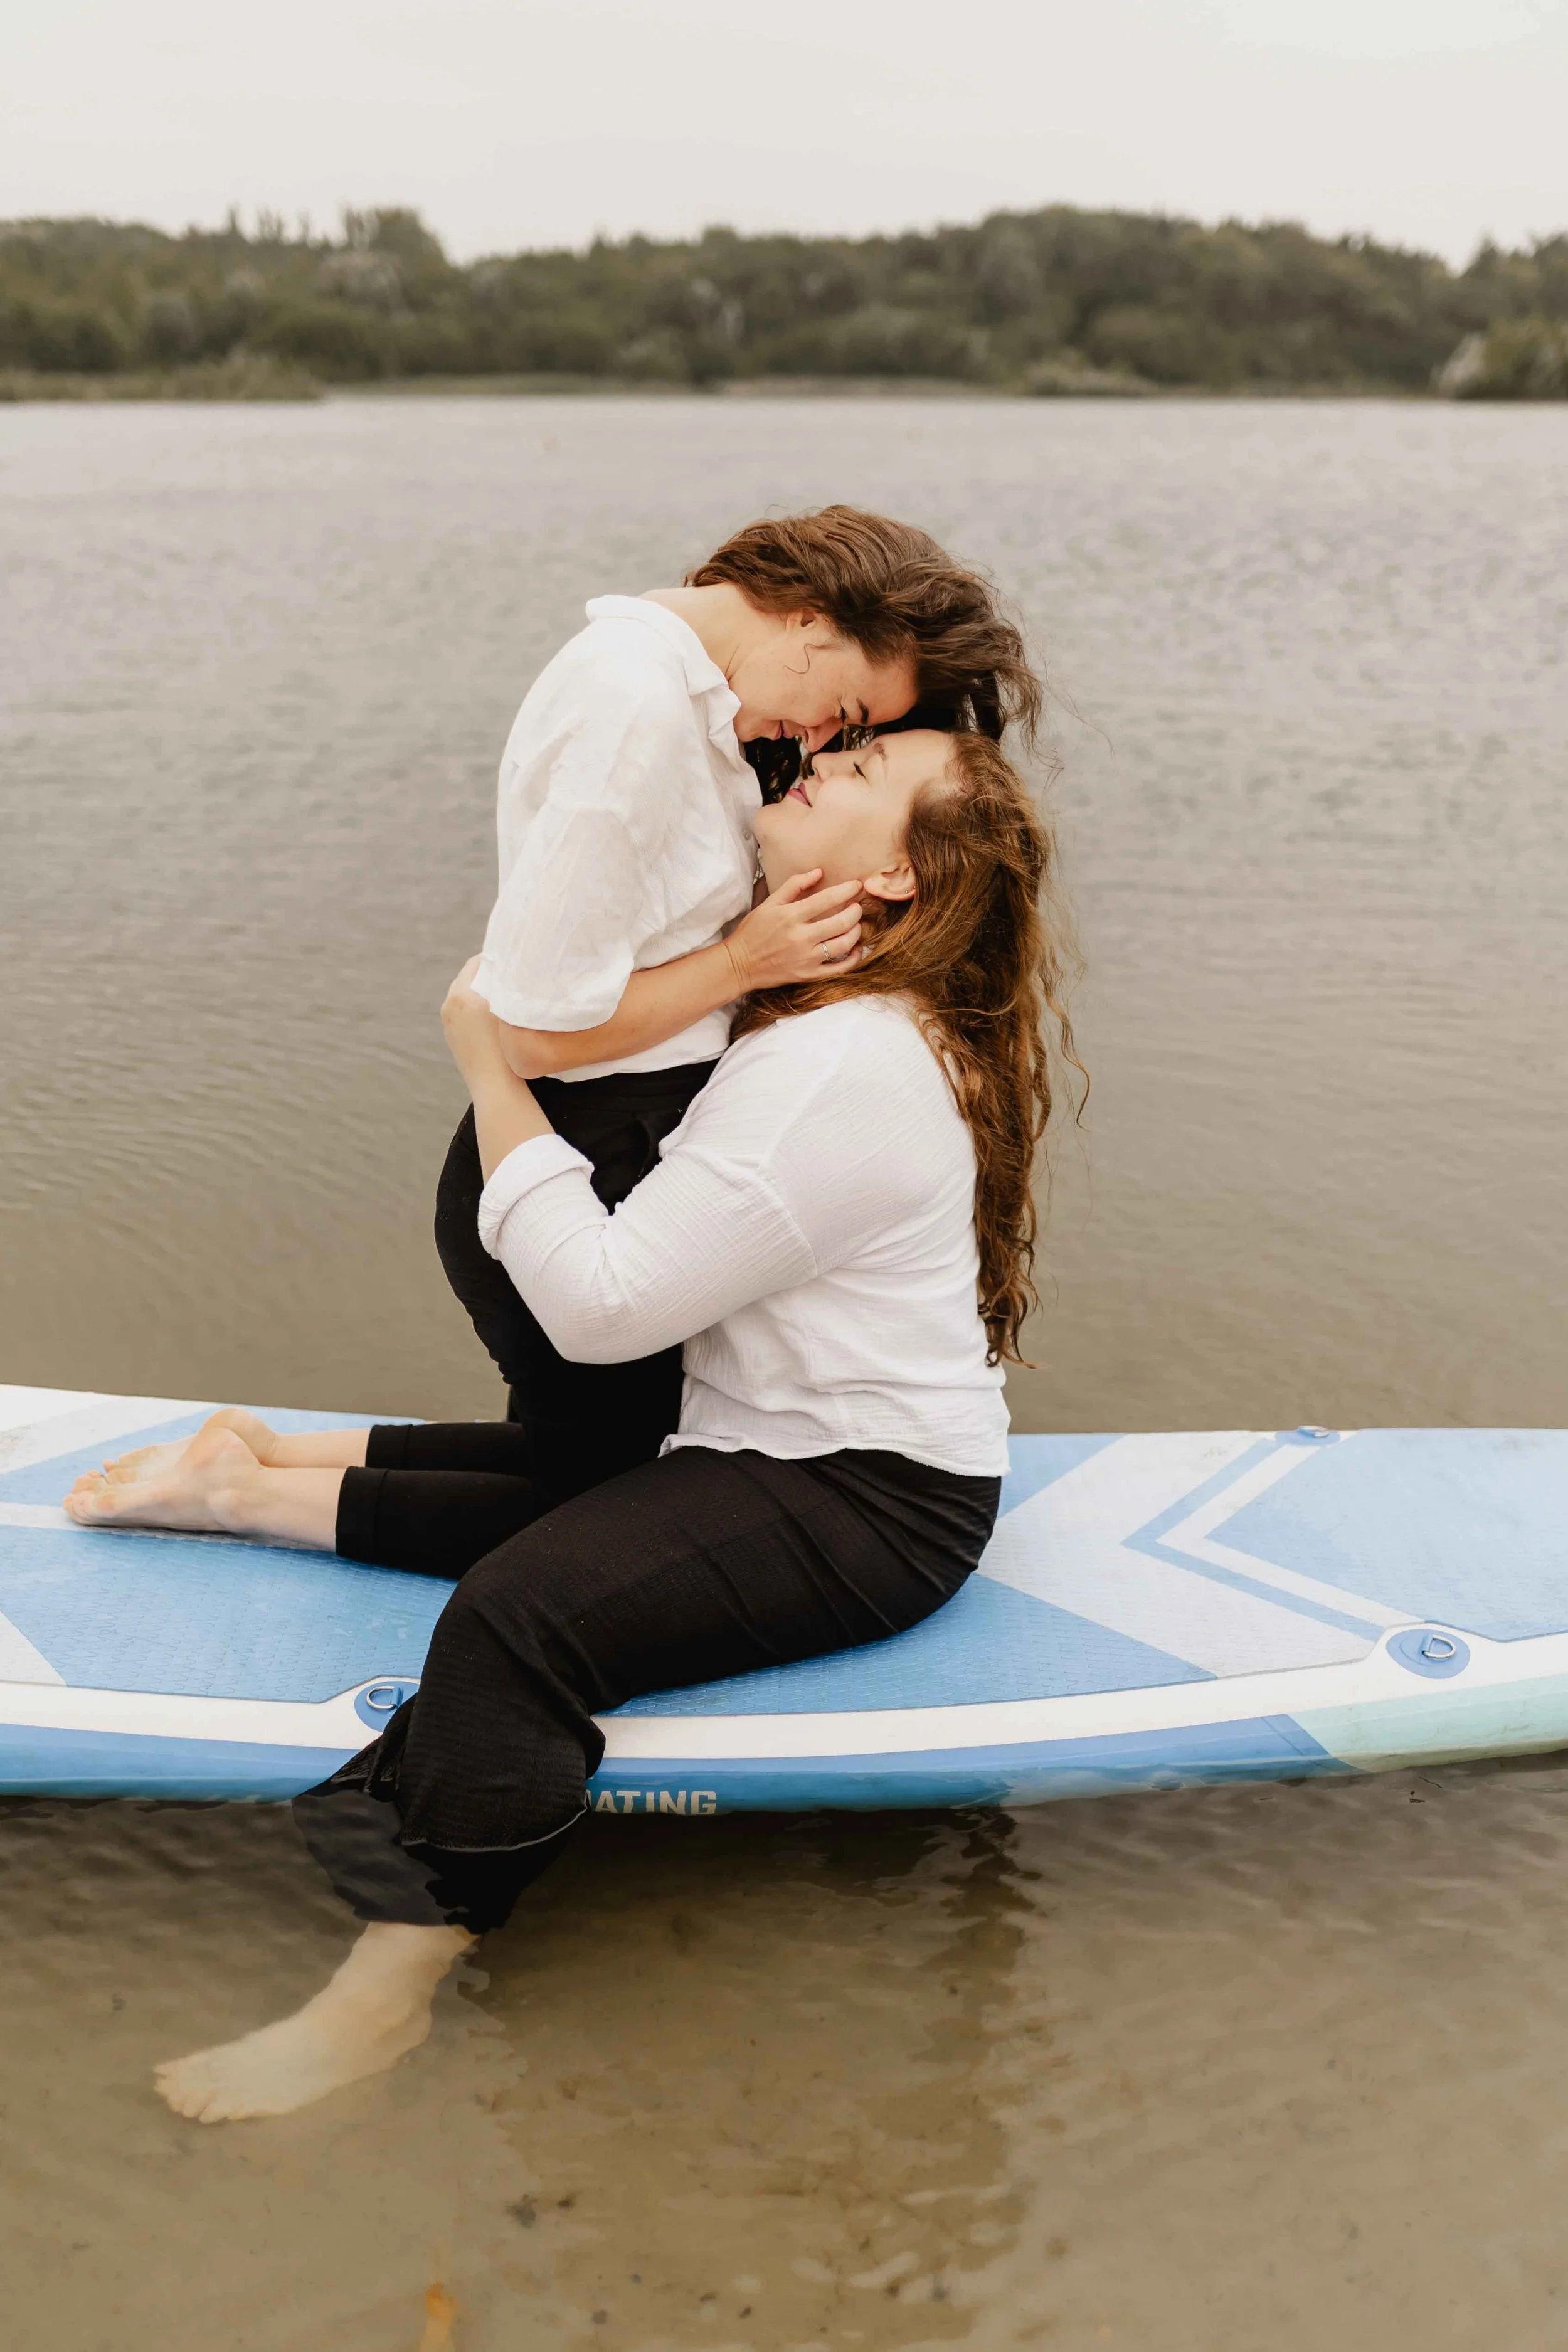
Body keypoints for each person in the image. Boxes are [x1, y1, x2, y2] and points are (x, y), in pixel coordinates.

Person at [70, 725, 1081, 2124]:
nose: (820, 765)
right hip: (772, 1446)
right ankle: (255, 1478)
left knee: (513, 1623)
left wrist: (492, 1074)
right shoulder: (821, 1016)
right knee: (574, 1488)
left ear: (898, 877)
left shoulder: (839, 1065)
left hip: (871, 1499)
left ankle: (388, 1987)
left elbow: (603, 1310)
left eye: (859, 774)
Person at [433, 504, 1041, 1502]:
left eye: (855, 738)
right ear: (810, 623)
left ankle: (253, 1467)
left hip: (598, 1144)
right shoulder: (633, 697)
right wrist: (740, 963)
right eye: (843, 707)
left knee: (579, 1475)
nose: (821, 742)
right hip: (575, 1155)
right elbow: (536, 1032)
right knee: (585, 1496)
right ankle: (239, 1496)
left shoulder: (679, 700)